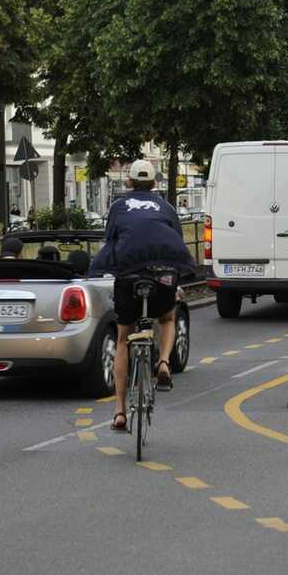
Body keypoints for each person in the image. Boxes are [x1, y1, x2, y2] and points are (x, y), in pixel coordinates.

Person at [89, 159, 197, 432]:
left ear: (129, 182)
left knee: (124, 338)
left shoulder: (118, 207)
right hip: (163, 274)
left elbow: (110, 239)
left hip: (129, 276)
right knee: (167, 318)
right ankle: (163, 362)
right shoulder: (166, 207)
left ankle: (120, 411)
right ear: (154, 183)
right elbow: (177, 236)